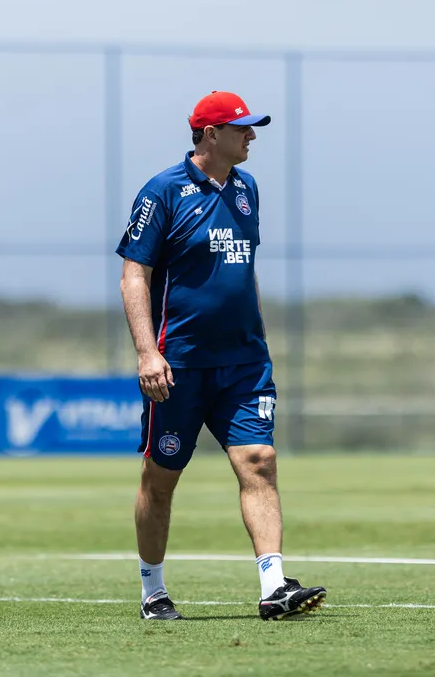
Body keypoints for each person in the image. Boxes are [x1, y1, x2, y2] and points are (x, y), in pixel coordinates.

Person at [115, 90, 327, 621]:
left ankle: (274, 587)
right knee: (160, 478)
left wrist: (255, 335)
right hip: (178, 364)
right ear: (211, 134)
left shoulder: (248, 188)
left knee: (260, 462)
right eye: (242, 129)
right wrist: (147, 353)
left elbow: (243, 272)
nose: (252, 136)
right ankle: (153, 590)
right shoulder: (162, 192)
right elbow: (133, 276)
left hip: (243, 363)